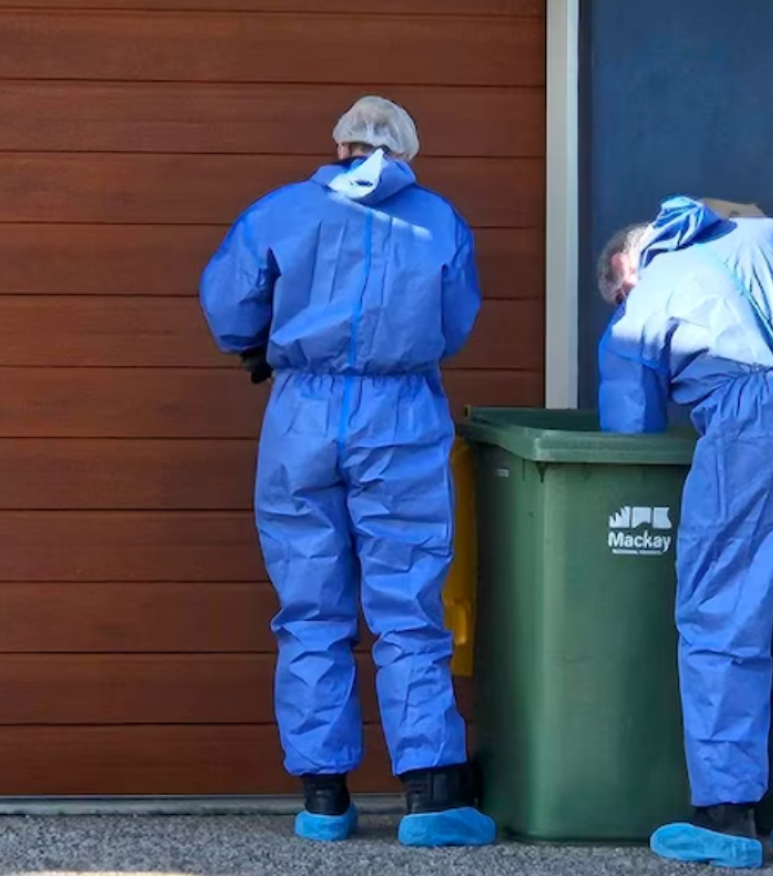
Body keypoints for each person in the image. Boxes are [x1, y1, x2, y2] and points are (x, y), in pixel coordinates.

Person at [198, 96, 496, 848]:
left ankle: (323, 798)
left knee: (309, 606)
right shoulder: (438, 220)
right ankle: (430, 796)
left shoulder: (279, 212)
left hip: (302, 416)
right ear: (405, 153)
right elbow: (454, 321)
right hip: (399, 414)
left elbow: (229, 303)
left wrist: (263, 346)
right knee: (407, 605)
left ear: (338, 144)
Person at [596, 196, 773, 869]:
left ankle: (725, 818)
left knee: (725, 612)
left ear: (623, 267)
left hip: (748, 420)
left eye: (613, 295)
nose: (617, 305)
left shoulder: (637, 309)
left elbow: (627, 435)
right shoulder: (772, 233)